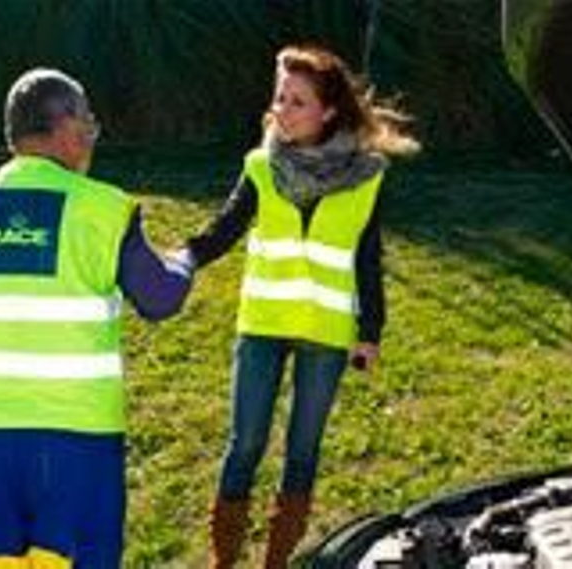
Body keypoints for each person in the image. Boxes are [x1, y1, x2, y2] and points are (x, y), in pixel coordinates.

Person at [0, 68, 195, 568]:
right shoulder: (103, 209)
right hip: (80, 441)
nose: (91, 136)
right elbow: (159, 298)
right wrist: (186, 260)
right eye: (88, 123)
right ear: (64, 126)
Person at [181, 45, 419, 568]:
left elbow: (367, 257)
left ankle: (275, 563)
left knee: (302, 454)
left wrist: (369, 331)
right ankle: (224, 562)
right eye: (280, 98)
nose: (281, 111)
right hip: (262, 325)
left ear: (328, 111)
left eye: (297, 102)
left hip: (326, 333)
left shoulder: (368, 176)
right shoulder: (262, 167)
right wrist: (183, 258)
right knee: (245, 445)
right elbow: (226, 227)